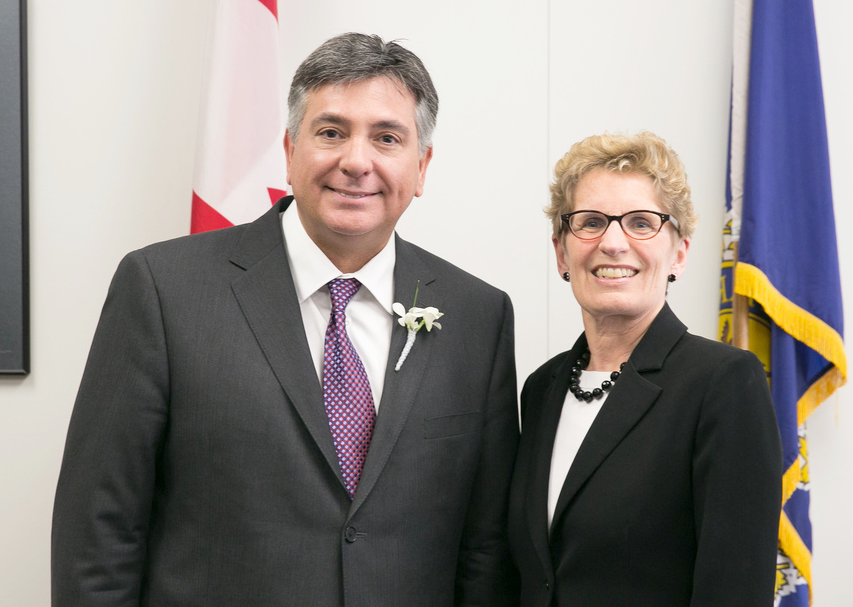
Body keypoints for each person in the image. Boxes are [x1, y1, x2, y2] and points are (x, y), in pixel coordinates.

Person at [52, 33, 519, 606]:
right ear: (289, 151)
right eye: (331, 132)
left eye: (387, 138)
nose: (356, 161)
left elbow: (486, 549)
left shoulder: (479, 317)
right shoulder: (164, 290)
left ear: (420, 168)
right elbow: (99, 532)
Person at [507, 132, 782, 606]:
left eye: (641, 223)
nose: (613, 243)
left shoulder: (723, 384)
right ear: (561, 253)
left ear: (678, 253)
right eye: (590, 222)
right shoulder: (542, 388)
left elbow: (735, 592)